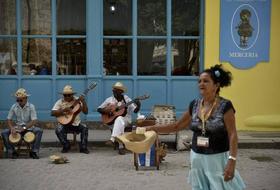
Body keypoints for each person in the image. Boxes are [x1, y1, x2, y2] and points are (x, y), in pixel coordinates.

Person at [145, 65, 245, 189]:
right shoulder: (195, 105)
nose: (201, 84)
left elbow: (233, 134)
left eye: (206, 81)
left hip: (217, 158)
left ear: (216, 85)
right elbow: (177, 126)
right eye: (199, 81)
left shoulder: (225, 106)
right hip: (197, 157)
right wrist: (152, 128)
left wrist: (232, 160)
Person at [97, 82, 141, 155]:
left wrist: (138, 106)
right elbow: (99, 109)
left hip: (126, 119)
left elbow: (135, 111)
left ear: (121, 92)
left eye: (116, 90)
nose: (114, 92)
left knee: (119, 118)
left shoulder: (127, 99)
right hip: (111, 121)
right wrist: (106, 111)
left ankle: (113, 139)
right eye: (114, 90)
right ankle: (120, 146)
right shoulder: (109, 99)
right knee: (119, 121)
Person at [1, 88, 43, 159]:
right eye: (17, 100)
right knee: (4, 132)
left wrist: (24, 128)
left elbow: (34, 120)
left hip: (29, 128)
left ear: (26, 98)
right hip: (18, 128)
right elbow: (8, 119)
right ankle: (12, 151)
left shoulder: (31, 106)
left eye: (21, 100)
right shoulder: (14, 106)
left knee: (39, 131)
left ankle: (34, 152)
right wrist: (12, 128)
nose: (19, 102)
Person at [51, 85, 90, 154]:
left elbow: (86, 112)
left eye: (69, 95)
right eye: (65, 95)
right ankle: (66, 145)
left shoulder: (78, 100)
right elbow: (52, 113)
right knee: (58, 129)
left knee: (85, 128)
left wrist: (83, 102)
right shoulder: (60, 102)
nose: (67, 97)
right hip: (64, 124)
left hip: (76, 124)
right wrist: (63, 110)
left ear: (72, 95)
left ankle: (83, 147)